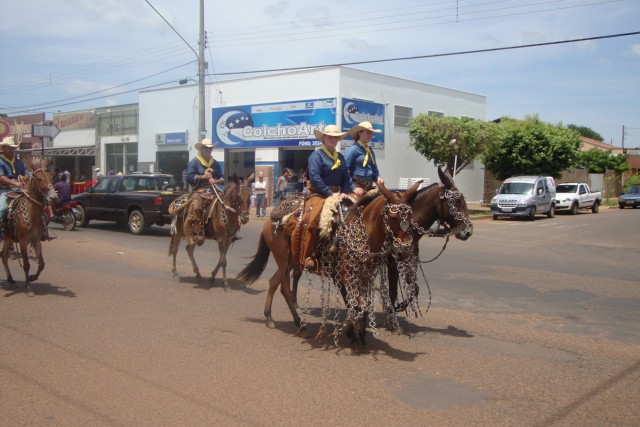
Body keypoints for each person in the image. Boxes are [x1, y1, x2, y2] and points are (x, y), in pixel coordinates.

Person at [291, 125, 364, 272]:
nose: (333, 139)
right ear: (324, 138)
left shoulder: (341, 157)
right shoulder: (316, 156)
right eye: (330, 136)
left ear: (338, 139)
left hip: (337, 194)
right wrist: (331, 194)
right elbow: (315, 178)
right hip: (318, 194)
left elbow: (346, 178)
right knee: (313, 220)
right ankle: (309, 256)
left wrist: (350, 190)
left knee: (357, 214)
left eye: (335, 137)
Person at [185, 138, 224, 245]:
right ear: (201, 149)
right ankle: (198, 232)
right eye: (206, 148)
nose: (208, 150)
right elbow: (188, 177)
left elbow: (222, 178)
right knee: (198, 206)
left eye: (210, 148)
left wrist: (216, 180)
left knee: (226, 202)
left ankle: (225, 229)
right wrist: (203, 176)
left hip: (213, 189)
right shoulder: (194, 162)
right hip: (199, 190)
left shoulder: (215, 163)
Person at [345, 121, 384, 192]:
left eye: (371, 133)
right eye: (368, 133)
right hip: (356, 186)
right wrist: (353, 187)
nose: (370, 135)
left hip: (369, 186)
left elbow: (375, 170)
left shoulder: (370, 151)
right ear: (360, 133)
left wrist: (378, 177)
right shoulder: (353, 150)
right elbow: (344, 170)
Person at [0, 137, 28, 234]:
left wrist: (23, 178)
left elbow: (26, 174)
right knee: (2, 209)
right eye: (9, 148)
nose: (12, 150)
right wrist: (15, 182)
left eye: (13, 148)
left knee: (36, 203)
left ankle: (42, 230)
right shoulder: (0, 161)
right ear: (3, 148)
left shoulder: (19, 162)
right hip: (4, 190)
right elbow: (1, 177)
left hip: (20, 190)